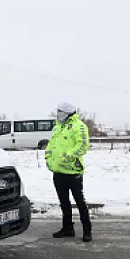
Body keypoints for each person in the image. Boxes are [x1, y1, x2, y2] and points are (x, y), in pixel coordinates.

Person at [45, 102, 92, 242]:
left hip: (73, 172)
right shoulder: (57, 127)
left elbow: (83, 146)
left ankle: (87, 230)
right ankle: (67, 228)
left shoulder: (79, 126)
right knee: (64, 202)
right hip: (58, 172)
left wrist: (67, 157)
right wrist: (48, 158)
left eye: (60, 111)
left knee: (79, 202)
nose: (58, 113)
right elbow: (50, 145)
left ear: (67, 112)